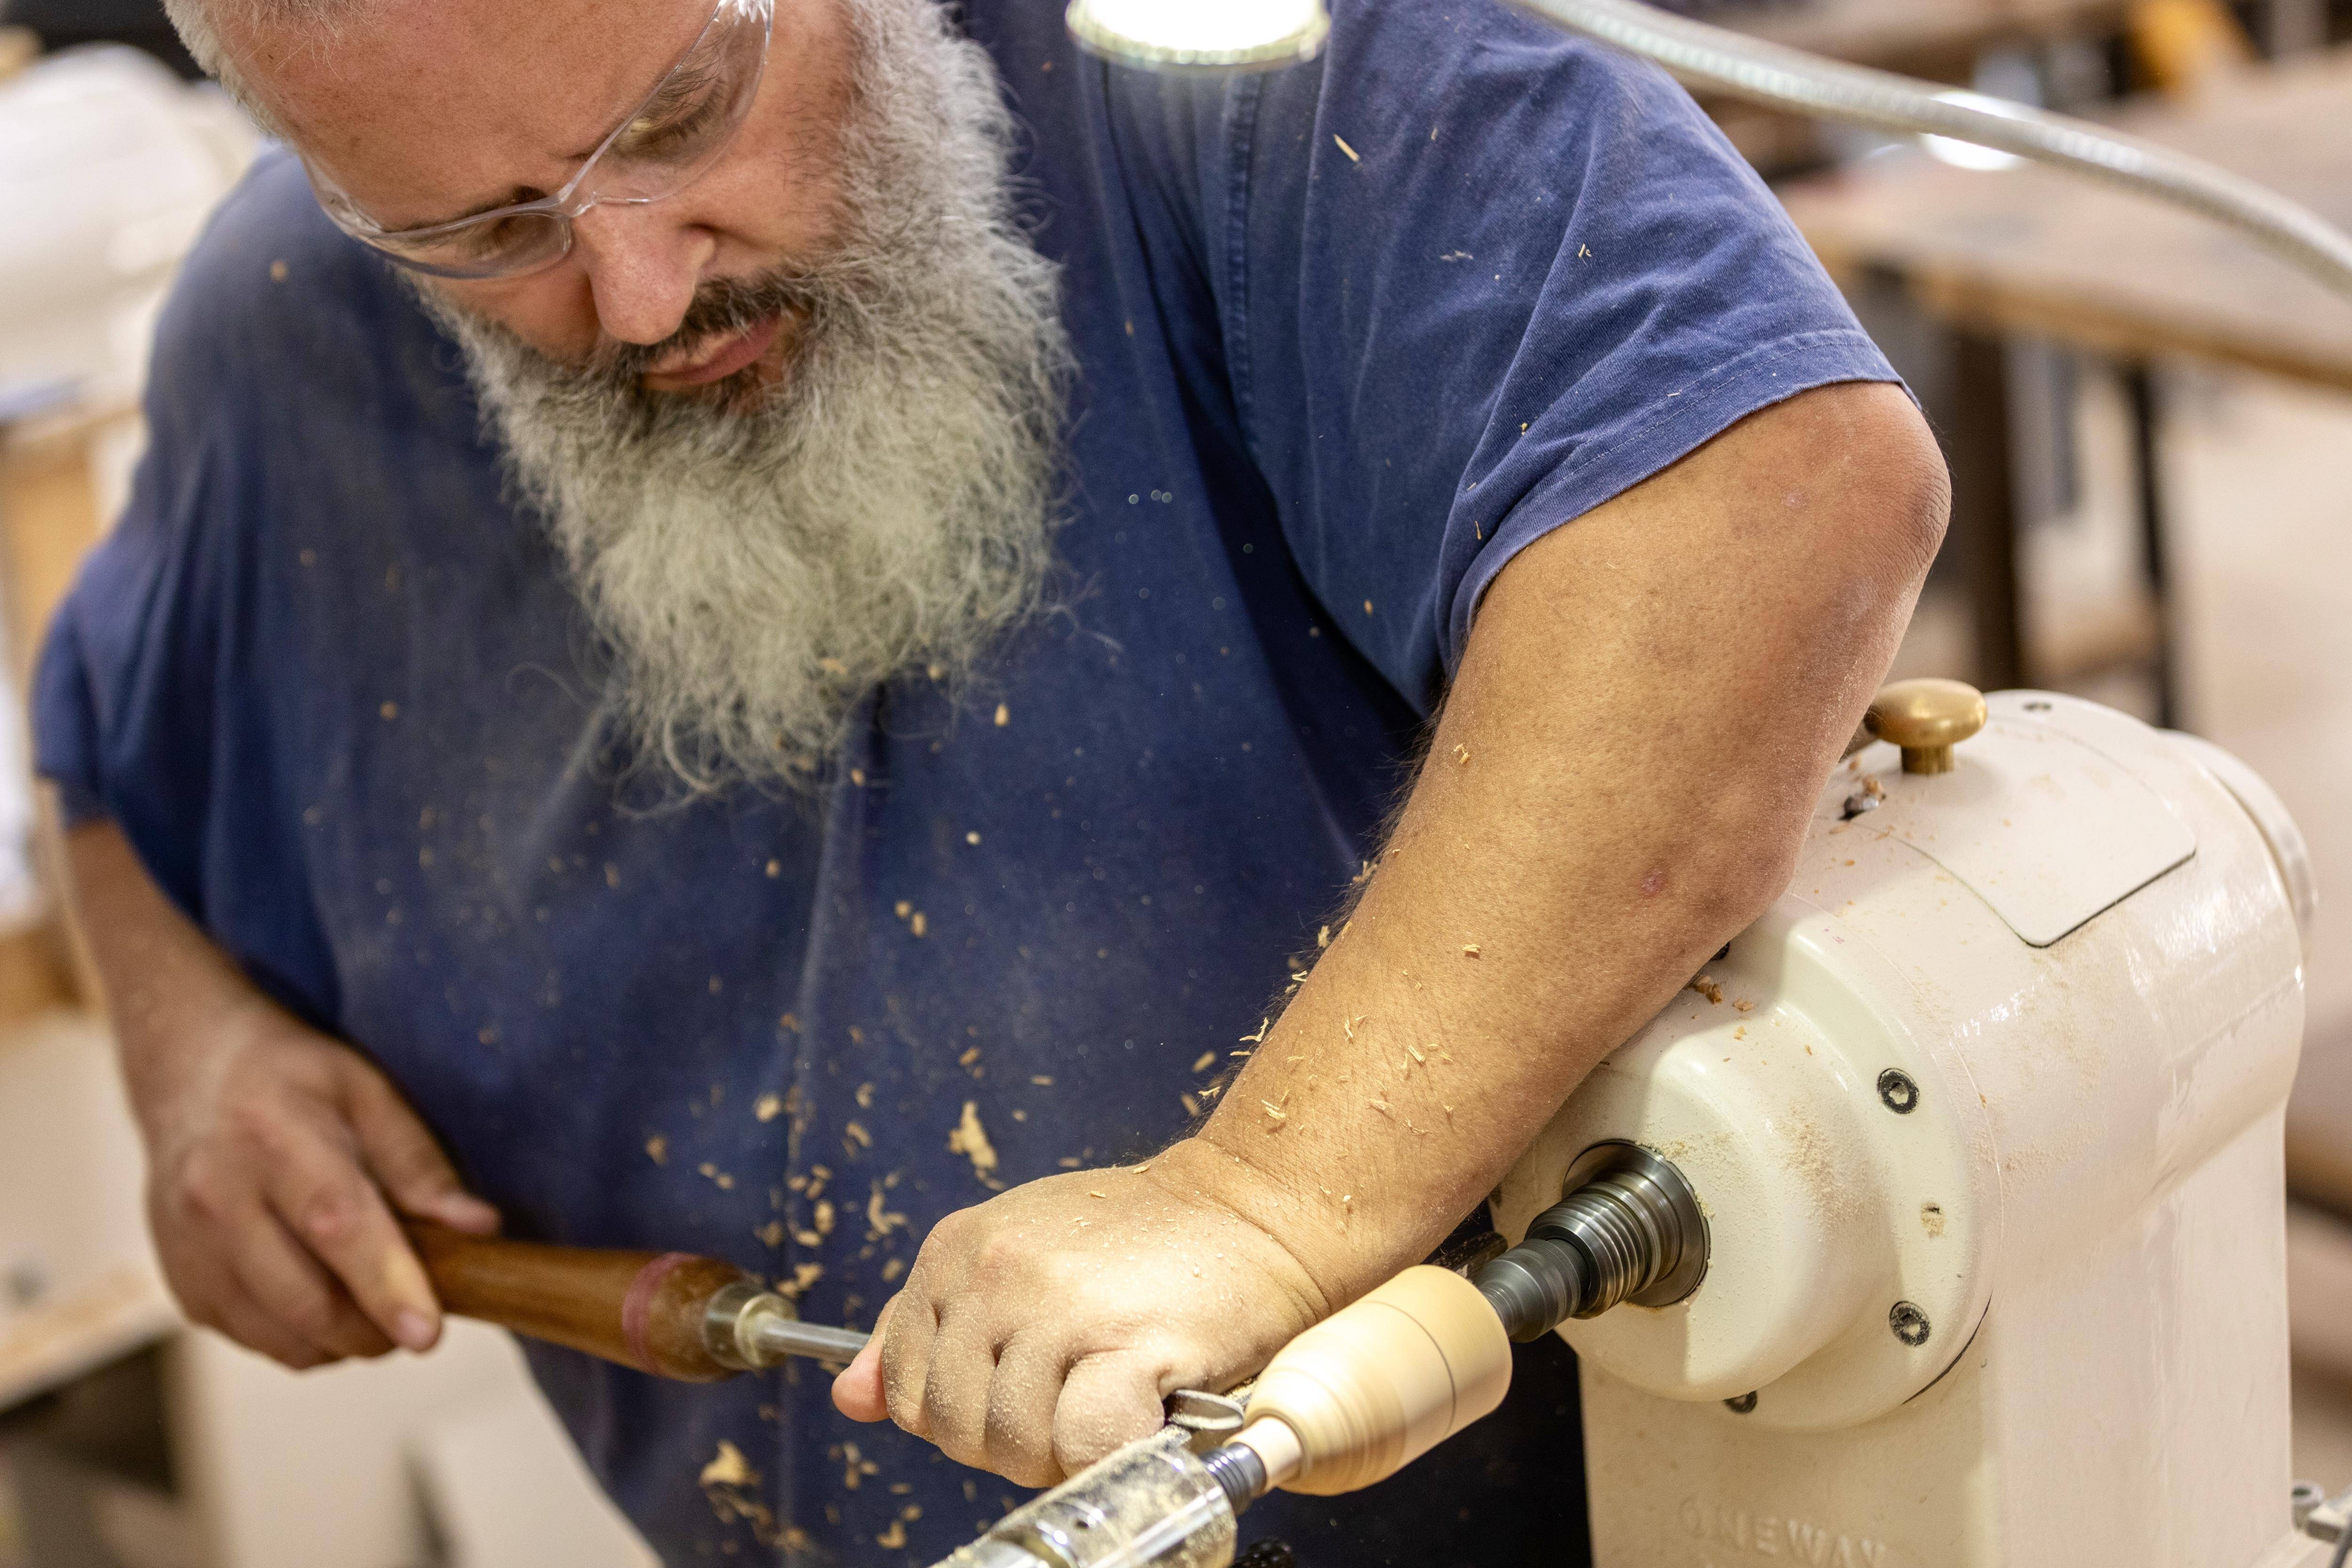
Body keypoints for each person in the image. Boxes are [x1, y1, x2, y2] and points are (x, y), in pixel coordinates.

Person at [33, 0, 1947, 1560]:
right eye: (485, 231)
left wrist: (1262, 1205)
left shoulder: (1243, 66)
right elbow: (104, 742)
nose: (629, 293)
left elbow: (1770, 502)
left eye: (684, 110)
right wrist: (191, 1053)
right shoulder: (291, 332)